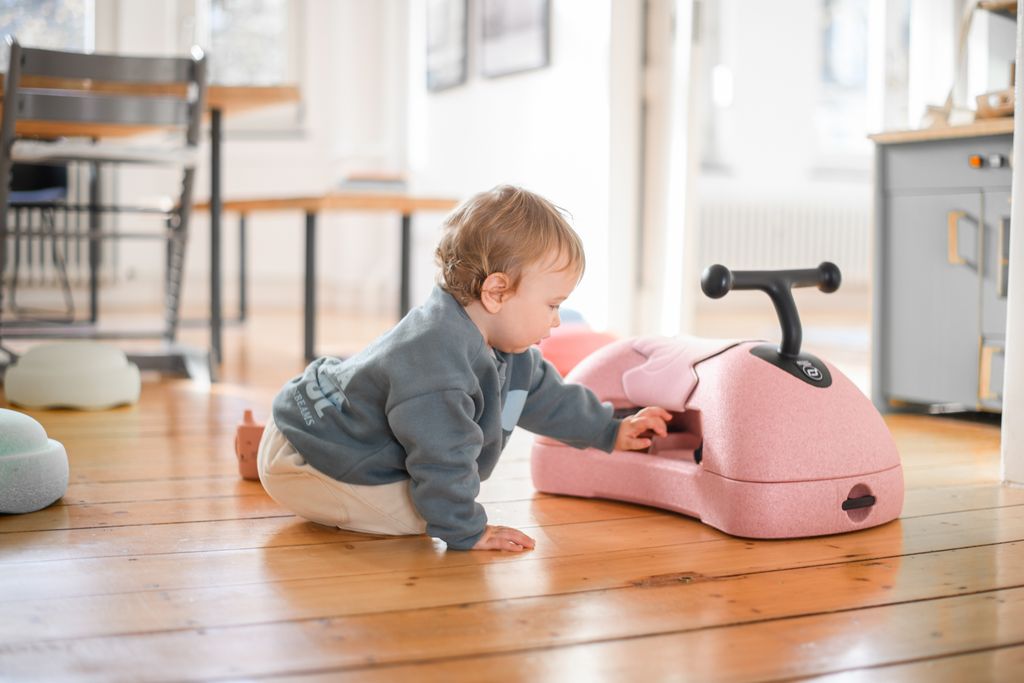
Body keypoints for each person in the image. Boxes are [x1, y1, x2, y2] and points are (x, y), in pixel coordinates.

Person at [257, 185, 671, 552]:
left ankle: (262, 449)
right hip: (316, 457)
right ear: (496, 292)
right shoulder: (439, 368)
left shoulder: (509, 350)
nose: (557, 321)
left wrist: (611, 430)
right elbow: (444, 460)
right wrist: (467, 531)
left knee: (428, 491)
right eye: (552, 305)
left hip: (315, 426)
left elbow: (547, 397)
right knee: (420, 515)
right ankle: (280, 468)